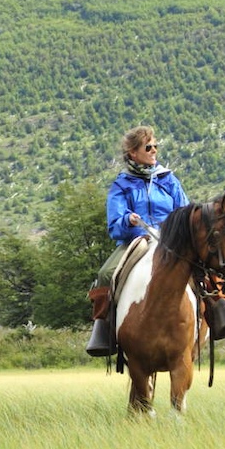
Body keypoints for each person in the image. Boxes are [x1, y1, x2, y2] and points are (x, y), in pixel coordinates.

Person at [86, 125, 190, 356]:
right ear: (133, 153)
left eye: (155, 146)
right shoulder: (122, 185)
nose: (154, 151)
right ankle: (102, 331)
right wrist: (128, 220)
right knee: (105, 274)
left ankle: (220, 310)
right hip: (138, 239)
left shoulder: (168, 179)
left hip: (170, 240)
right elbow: (114, 226)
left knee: (207, 266)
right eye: (148, 147)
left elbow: (184, 210)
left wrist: (176, 227)